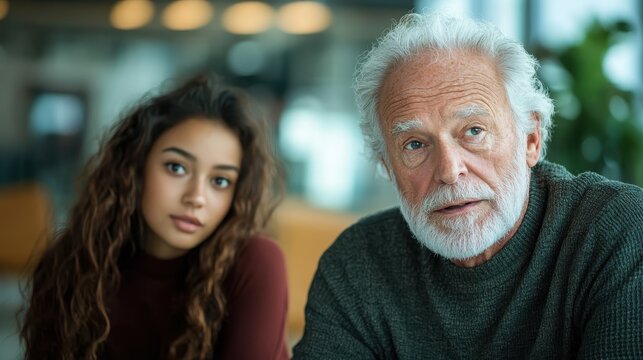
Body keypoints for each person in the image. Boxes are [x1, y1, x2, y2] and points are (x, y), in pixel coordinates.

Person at [293, 12, 643, 359]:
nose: (449, 170)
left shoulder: (617, 232)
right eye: (414, 144)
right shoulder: (357, 265)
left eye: (474, 131)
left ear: (531, 140)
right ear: (387, 166)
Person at [21, 75, 289, 360]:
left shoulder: (256, 262)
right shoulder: (70, 263)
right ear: (135, 167)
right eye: (176, 167)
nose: (196, 197)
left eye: (220, 181)